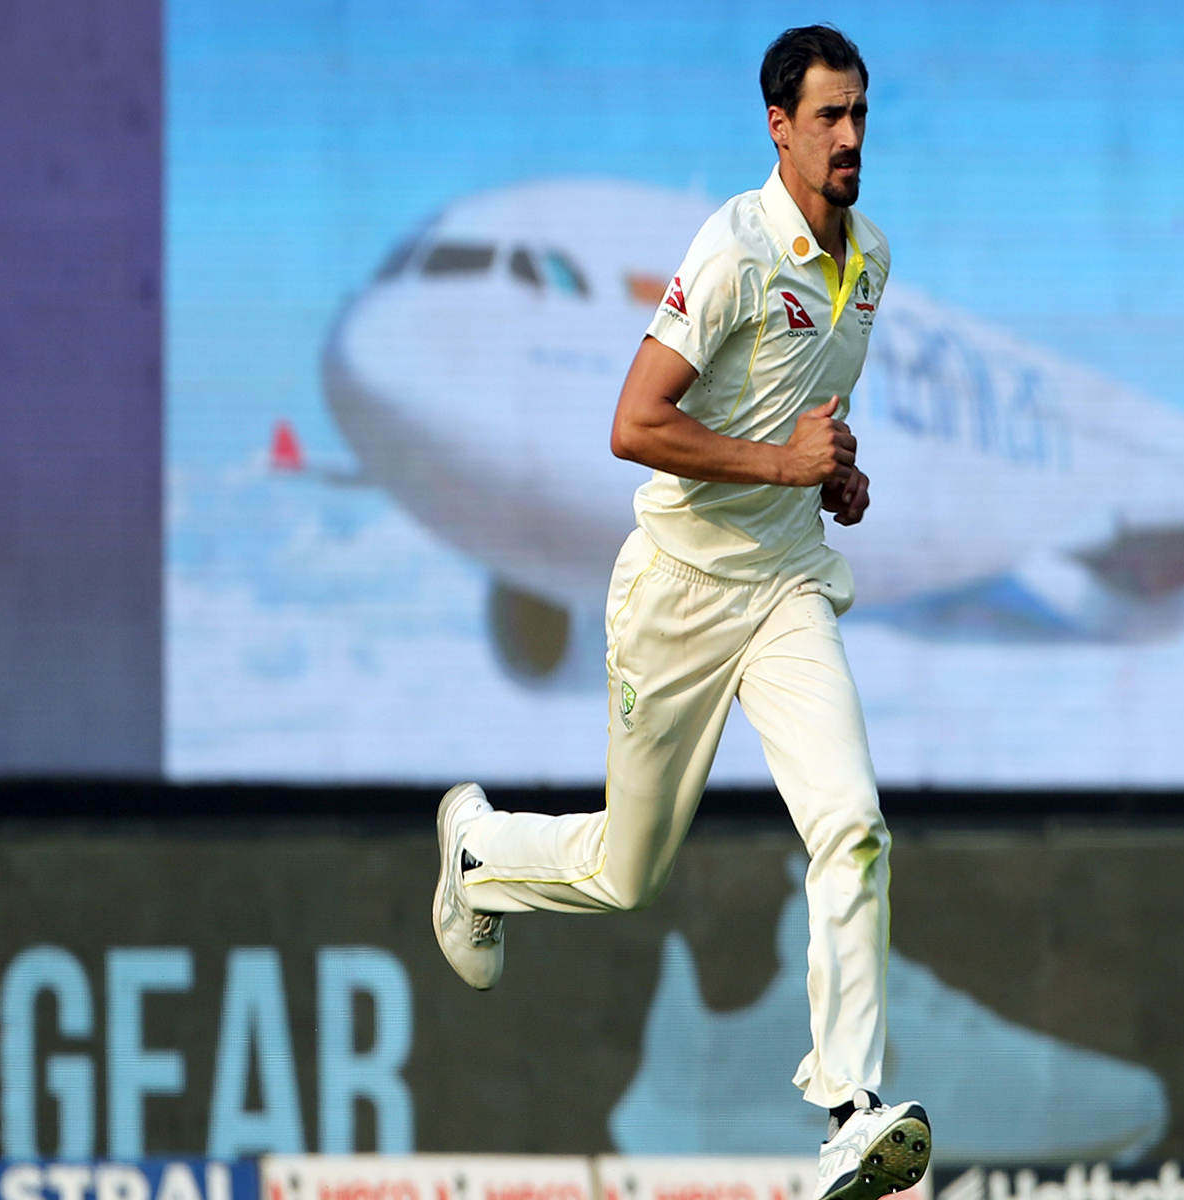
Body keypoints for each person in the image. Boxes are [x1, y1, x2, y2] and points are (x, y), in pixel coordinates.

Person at [431, 24, 929, 1199]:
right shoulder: (733, 249)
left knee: (852, 823)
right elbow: (635, 426)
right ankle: (476, 853)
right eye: (828, 118)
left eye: (861, 114)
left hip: (788, 587)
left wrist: (834, 475)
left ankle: (851, 1107)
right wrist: (781, 464)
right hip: (678, 591)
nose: (850, 137)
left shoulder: (872, 260)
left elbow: (806, 414)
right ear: (778, 126)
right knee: (624, 869)